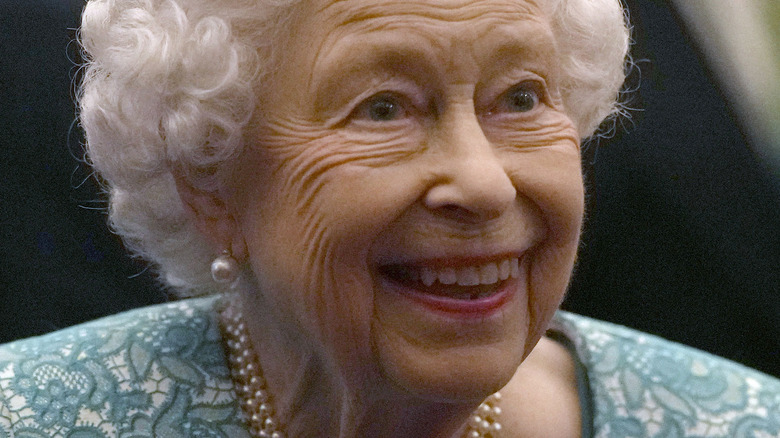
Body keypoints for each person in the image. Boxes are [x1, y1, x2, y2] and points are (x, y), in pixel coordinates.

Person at [0, 0, 777, 436]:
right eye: (382, 108)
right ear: (211, 180)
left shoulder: (733, 423)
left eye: (521, 98)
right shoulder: (34, 415)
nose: (483, 183)